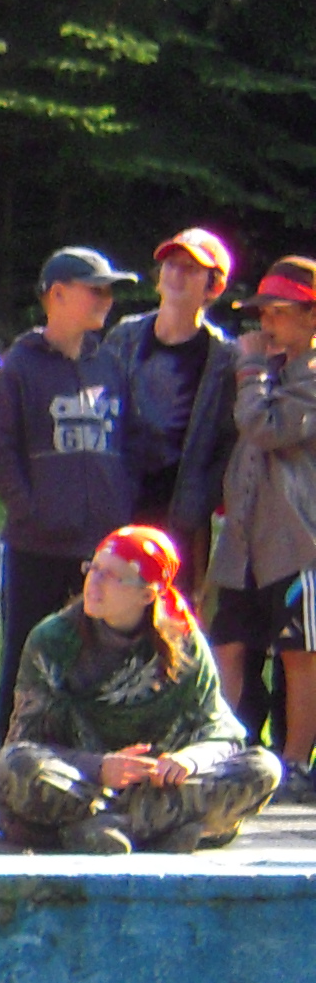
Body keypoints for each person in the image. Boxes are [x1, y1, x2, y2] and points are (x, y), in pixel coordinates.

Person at [0, 527, 282, 853]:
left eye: (112, 576)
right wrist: (100, 767)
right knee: (13, 765)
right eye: (93, 568)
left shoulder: (184, 644)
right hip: (82, 782)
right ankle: (161, 829)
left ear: (147, 595)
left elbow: (222, 734)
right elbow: (25, 741)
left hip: (159, 785)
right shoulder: (52, 640)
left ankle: (102, 829)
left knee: (263, 768)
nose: (94, 582)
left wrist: (190, 760)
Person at [0, 247, 138, 744]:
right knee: (27, 653)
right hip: (38, 545)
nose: (106, 299)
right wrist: (31, 511)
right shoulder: (19, 367)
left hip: (100, 547)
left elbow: (129, 444)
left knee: (98, 655)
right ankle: (10, 755)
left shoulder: (109, 364)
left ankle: (87, 756)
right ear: (57, 294)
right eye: (96, 289)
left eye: (110, 291)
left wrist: (120, 508)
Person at [210, 256, 316, 779]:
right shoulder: (270, 370)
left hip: (298, 542)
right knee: (228, 641)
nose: (265, 324)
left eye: (278, 312)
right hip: (244, 542)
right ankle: (225, 750)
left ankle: (294, 759)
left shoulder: (310, 378)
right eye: (262, 313)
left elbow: (266, 428)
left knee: (299, 653)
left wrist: (250, 371)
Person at [104, 229, 238, 591]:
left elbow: (230, 441)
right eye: (171, 265)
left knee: (173, 611)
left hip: (180, 514)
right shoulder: (124, 337)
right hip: (118, 501)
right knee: (110, 601)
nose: (176, 274)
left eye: (190, 269)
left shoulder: (224, 359)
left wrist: (202, 499)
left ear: (214, 287)